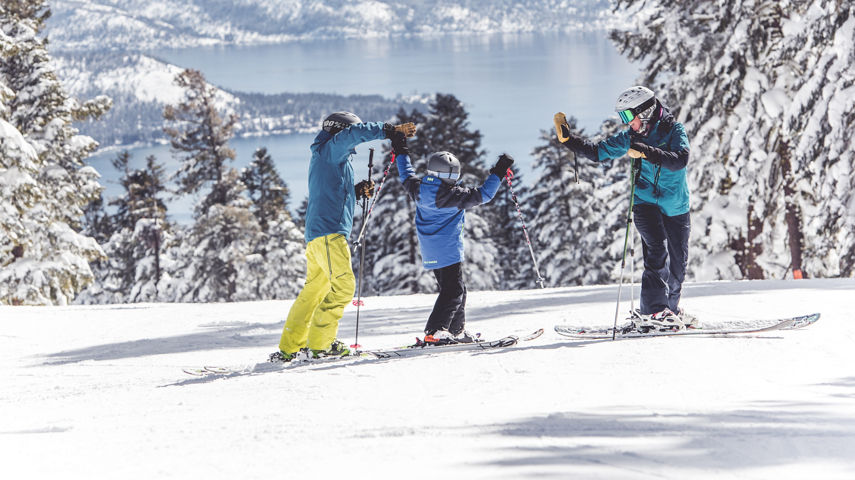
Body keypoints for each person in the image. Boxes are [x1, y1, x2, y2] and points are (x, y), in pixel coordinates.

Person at [270, 112, 415, 362]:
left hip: (319, 234)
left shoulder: (328, 156)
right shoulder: (330, 148)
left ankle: (290, 347)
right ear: (340, 131)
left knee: (314, 291)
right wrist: (390, 130)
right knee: (344, 287)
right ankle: (320, 346)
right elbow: (353, 134)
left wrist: (355, 191)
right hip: (329, 234)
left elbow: (331, 192)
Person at [553, 86, 696, 330]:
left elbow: (679, 160)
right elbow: (597, 152)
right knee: (656, 251)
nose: (627, 124)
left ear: (647, 111)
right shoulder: (631, 138)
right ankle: (653, 311)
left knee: (678, 265)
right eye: (623, 118)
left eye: (629, 117)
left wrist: (645, 152)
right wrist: (569, 140)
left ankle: (669, 311)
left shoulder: (674, 131)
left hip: (676, 206)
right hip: (644, 203)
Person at [391, 130, 514, 343]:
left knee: (458, 290)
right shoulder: (452, 196)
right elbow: (484, 195)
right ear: (450, 175)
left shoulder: (419, 189)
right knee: (453, 291)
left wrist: (401, 149)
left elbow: (406, 174)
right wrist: (499, 171)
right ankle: (435, 331)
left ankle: (455, 330)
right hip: (447, 250)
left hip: (431, 249)